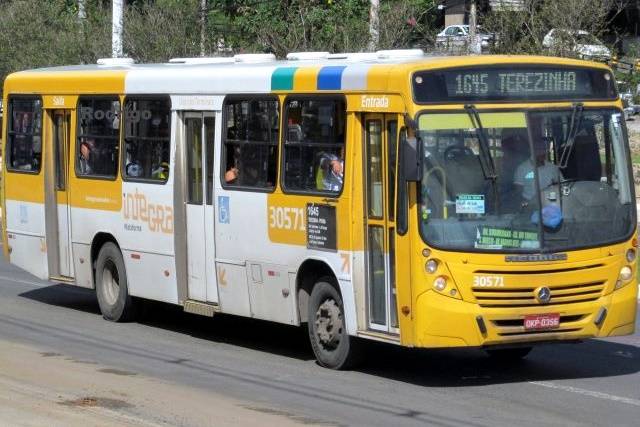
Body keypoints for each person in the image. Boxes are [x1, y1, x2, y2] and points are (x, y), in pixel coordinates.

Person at [514, 136, 561, 201]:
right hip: (529, 204)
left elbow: (561, 186)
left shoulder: (552, 168)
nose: (542, 152)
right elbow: (518, 192)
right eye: (539, 149)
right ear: (532, 150)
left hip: (550, 204)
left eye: (544, 149)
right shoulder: (522, 168)